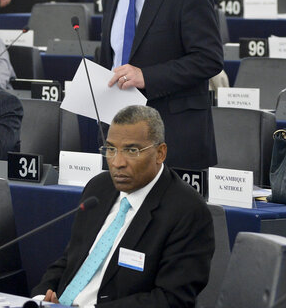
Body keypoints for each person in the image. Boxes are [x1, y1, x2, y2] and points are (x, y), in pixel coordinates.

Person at [32, 105, 214, 307]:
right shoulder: (98, 188)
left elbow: (171, 299)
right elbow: (69, 260)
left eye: (131, 150)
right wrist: (42, 298)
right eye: (111, 149)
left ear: (160, 153)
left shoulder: (187, 211)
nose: (117, 162)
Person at [98, 0, 223, 170]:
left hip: (173, 133)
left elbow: (209, 59)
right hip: (122, 132)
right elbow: (113, 56)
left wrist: (147, 76)